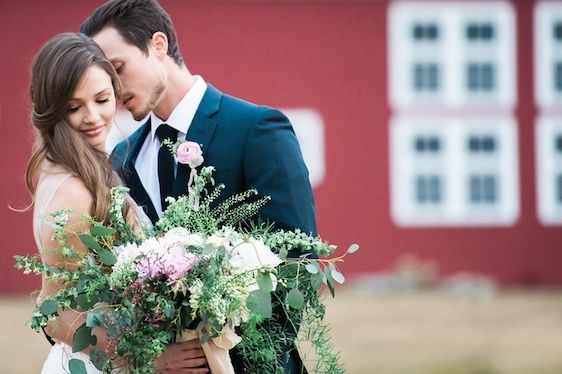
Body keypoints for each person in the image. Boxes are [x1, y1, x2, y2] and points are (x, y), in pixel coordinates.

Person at [80, 1, 317, 372]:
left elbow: (298, 267)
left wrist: (230, 357)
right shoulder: (120, 160)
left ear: (158, 45)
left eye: (119, 69)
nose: (114, 88)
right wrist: (149, 356)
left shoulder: (256, 130)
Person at [26, 32, 209, 374]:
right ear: (52, 110)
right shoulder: (73, 191)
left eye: (101, 99)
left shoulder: (95, 168)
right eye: (74, 107)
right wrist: (150, 359)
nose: (93, 117)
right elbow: (52, 311)